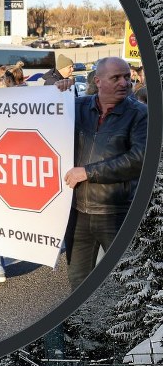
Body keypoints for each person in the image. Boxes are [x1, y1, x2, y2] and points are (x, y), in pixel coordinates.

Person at [61, 56, 148, 289]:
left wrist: (88, 172)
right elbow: (43, 121)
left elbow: (139, 160)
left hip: (117, 213)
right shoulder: (77, 107)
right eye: (116, 77)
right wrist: (56, 92)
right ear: (98, 81)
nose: (125, 83)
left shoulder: (140, 114)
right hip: (77, 213)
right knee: (79, 281)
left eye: (127, 77)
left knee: (127, 282)